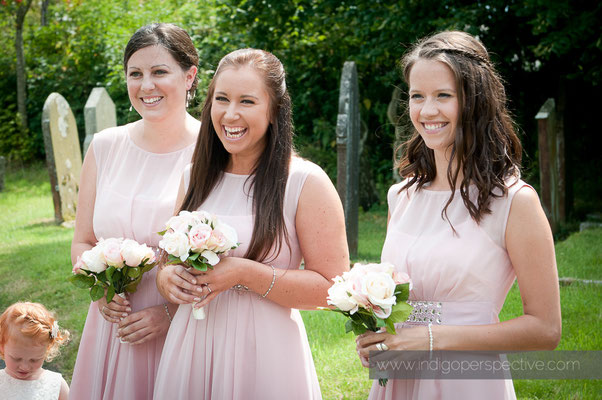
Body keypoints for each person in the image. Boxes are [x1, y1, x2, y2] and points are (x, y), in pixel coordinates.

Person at [356, 31, 561, 399]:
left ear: (475, 101)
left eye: (443, 96)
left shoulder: (515, 202)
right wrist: (378, 340)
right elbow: (400, 305)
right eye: (417, 96)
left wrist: (433, 339)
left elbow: (545, 330)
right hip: (401, 381)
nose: (426, 110)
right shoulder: (400, 196)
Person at [154, 48, 349, 399]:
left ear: (274, 110)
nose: (230, 114)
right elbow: (169, 259)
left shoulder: (305, 181)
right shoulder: (193, 177)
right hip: (193, 346)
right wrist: (167, 277)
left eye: (247, 101)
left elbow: (331, 290)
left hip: (266, 352)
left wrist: (244, 273)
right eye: (222, 99)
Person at [69, 23, 200, 399]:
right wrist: (100, 292)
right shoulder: (104, 146)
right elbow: (82, 240)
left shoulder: (211, 151)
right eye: (135, 74)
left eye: (160, 72)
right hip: (111, 325)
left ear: (189, 76)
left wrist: (170, 314)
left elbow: (225, 257)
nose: (146, 86)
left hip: (183, 327)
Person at [0, 302, 70, 400]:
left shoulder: (57, 385)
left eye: (34, 360)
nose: (25, 367)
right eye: (16, 359)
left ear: (47, 349)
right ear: (2, 346)